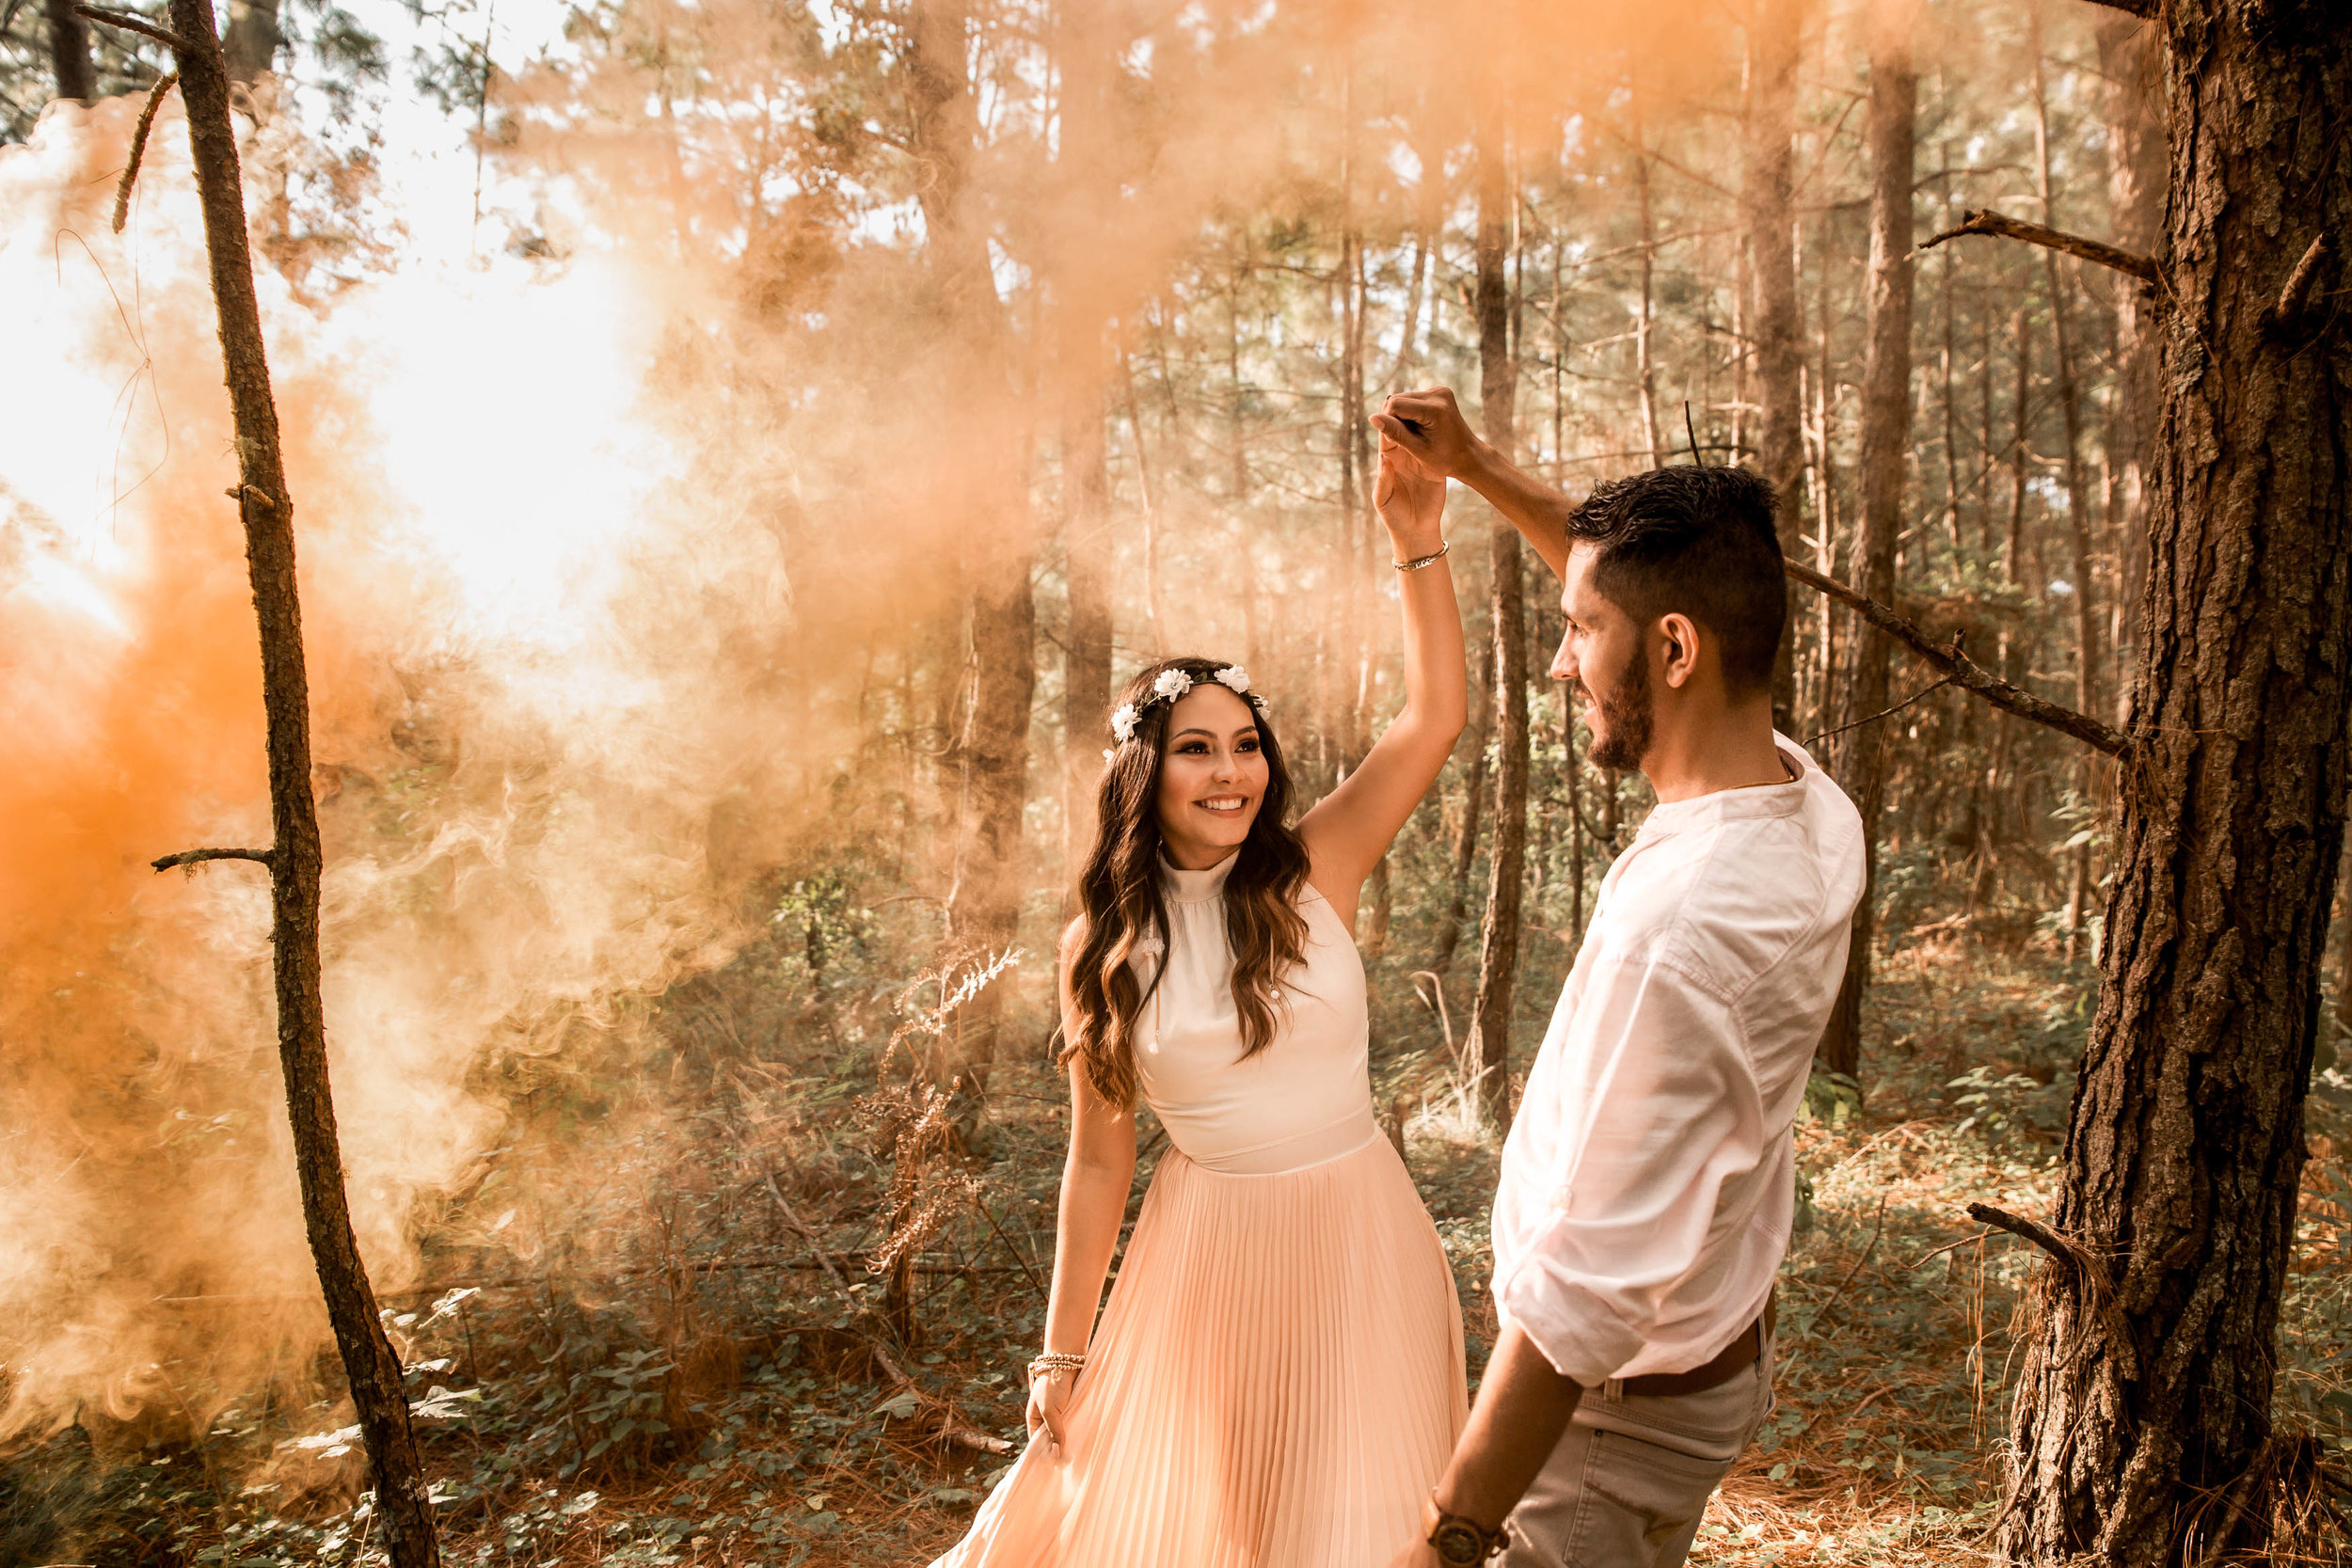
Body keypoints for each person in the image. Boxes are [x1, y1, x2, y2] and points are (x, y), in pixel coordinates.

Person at [929, 431, 1471, 1568]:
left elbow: (1433, 720)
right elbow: (1098, 1160)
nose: (1232, 772)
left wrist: (1417, 544)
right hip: (1209, 1260)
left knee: (1371, 1526)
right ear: (1146, 771)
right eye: (1196, 749)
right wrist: (1059, 1354)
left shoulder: (1317, 867)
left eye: (1245, 745)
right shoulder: (1103, 945)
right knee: (1238, 1529)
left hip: (1364, 1235)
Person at [1370, 388, 1867, 1568]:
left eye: (1575, 631)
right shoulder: (1806, 803)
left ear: (1678, 649)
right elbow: (1647, 603)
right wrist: (1481, 468)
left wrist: (1448, 1540)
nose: (1558, 661)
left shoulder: (1679, 931)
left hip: (1603, 1427)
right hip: (1704, 1361)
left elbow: (1577, 1300)